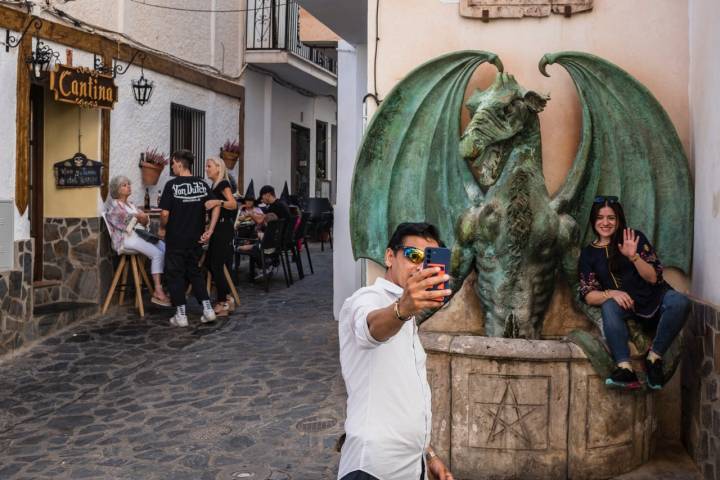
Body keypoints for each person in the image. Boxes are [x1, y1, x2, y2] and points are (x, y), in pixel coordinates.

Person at [337, 222, 454, 480]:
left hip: (411, 466)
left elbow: (402, 398)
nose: (420, 265)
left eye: (430, 259)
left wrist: (429, 456)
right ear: (390, 257)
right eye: (413, 256)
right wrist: (402, 310)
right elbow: (370, 328)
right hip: (372, 468)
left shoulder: (406, 313)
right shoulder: (366, 299)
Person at [578, 196, 690, 390]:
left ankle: (654, 358)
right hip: (626, 307)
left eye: (611, 218)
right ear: (593, 221)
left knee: (680, 302)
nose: (605, 222)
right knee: (608, 306)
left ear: (619, 219)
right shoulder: (588, 253)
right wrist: (611, 293)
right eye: (600, 217)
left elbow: (654, 278)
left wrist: (634, 257)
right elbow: (589, 294)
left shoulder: (633, 238)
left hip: (655, 299)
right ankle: (625, 368)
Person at [159, 150, 220, 327]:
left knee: (175, 274)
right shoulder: (202, 185)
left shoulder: (171, 185)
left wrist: (163, 227)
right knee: (194, 272)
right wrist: (211, 230)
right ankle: (208, 310)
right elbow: (216, 205)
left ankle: (181, 315)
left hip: (176, 238)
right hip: (196, 239)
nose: (172, 167)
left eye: (172, 163)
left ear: (179, 163)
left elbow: (164, 213)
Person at [105, 175, 170, 306]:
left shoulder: (131, 205)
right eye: (124, 185)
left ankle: (166, 285)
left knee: (164, 247)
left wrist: (142, 218)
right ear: (116, 190)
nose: (128, 186)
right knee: (157, 254)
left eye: (128, 184)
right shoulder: (114, 206)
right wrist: (138, 217)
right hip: (126, 240)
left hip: (139, 235)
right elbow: (122, 221)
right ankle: (158, 290)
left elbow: (145, 221)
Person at [204, 157, 238, 317]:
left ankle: (223, 301)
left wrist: (218, 202)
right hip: (218, 228)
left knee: (216, 264)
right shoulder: (215, 185)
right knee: (210, 263)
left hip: (224, 228)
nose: (206, 168)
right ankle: (227, 297)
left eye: (209, 166)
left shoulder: (223, 184)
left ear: (218, 168)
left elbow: (233, 204)